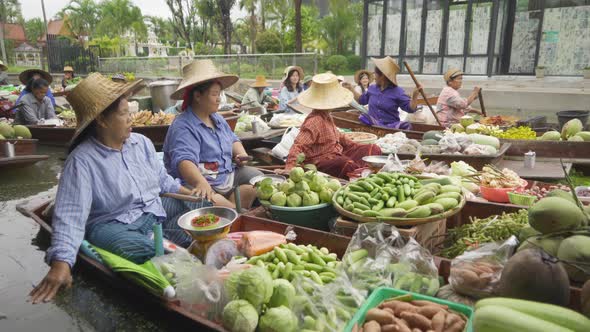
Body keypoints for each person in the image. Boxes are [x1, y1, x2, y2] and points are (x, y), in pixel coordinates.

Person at [28, 73, 209, 304]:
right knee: (139, 248)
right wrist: (61, 263)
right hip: (113, 225)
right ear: (102, 120)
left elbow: (164, 182)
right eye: (124, 114)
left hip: (154, 212)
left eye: (130, 112)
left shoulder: (141, 143)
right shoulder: (82, 161)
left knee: (204, 209)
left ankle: (169, 242)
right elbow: (71, 216)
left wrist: (193, 195)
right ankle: (165, 248)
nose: (130, 119)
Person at [163, 60, 262, 209]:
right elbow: (184, 160)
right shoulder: (183, 125)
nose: (219, 99)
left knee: (259, 179)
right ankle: (235, 208)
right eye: (215, 94)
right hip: (198, 181)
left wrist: (241, 154)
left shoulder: (217, 118)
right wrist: (200, 183)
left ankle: (235, 205)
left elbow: (232, 139)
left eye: (219, 94)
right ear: (197, 96)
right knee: (213, 202)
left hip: (227, 175)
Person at [284, 73, 382, 179]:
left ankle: (361, 171)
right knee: (346, 163)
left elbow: (339, 136)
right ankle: (360, 175)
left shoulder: (327, 116)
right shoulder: (314, 121)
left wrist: (355, 146)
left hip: (337, 153)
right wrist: (289, 168)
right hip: (321, 161)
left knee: (373, 148)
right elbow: (298, 145)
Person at [345, 56, 422, 130]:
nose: (374, 77)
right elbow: (361, 100)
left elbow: (411, 109)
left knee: (405, 125)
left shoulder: (398, 91)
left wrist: (415, 96)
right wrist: (351, 88)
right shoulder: (372, 88)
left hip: (390, 128)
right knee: (363, 117)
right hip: (372, 126)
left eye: (375, 74)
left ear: (383, 76)